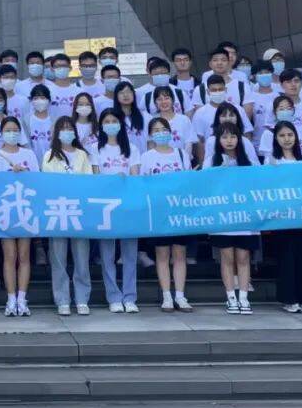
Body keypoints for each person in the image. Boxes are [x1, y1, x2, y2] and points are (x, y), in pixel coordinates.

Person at [0, 115, 38, 315]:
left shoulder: (29, 154)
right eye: (8, 130)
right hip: (5, 211)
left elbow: (38, 181)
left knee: (24, 255)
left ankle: (22, 299)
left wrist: (24, 174)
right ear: (1, 133)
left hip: (25, 209)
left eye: (15, 130)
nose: (12, 133)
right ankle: (11, 298)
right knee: (9, 255)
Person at [41, 117, 95, 315]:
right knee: (58, 257)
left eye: (69, 128)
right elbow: (47, 183)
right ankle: (62, 299)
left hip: (79, 210)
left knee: (82, 257)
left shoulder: (82, 155)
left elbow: (89, 182)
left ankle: (82, 298)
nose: (66, 131)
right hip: (57, 210)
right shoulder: (49, 155)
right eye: (62, 128)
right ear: (56, 133)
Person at [141, 117, 193, 312]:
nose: (160, 133)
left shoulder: (181, 154)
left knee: (179, 254)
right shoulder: (147, 156)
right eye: (156, 130)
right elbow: (143, 183)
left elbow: (188, 180)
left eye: (163, 129)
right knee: (162, 254)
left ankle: (180, 295)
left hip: (179, 210)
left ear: (170, 132)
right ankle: (166, 296)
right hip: (159, 210)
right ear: (150, 135)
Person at [206, 122, 259, 314]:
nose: (229, 141)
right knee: (227, 257)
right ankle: (230, 297)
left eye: (233, 136)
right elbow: (205, 186)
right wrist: (217, 172)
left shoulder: (248, 163)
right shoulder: (211, 161)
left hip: (244, 217)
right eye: (225, 137)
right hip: (223, 216)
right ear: (218, 140)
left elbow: (258, 185)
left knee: (243, 257)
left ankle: (244, 298)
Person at [267, 121, 302, 313]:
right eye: (282, 135)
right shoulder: (272, 162)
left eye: (290, 135)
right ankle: (289, 299)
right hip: (282, 217)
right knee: (286, 258)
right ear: (276, 139)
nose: (286, 139)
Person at [95, 109, 141, 313]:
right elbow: (95, 178)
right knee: (107, 254)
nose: (111, 124)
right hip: (105, 207)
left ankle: (130, 297)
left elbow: (135, 176)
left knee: (130, 254)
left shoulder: (132, 148)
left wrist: (125, 180)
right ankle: (113, 296)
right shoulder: (95, 149)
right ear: (101, 125)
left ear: (121, 124)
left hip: (127, 206)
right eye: (107, 121)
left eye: (114, 120)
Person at [148, 86, 195, 163]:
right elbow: (151, 144)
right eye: (159, 99)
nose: (164, 102)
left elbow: (188, 144)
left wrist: (185, 161)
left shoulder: (184, 120)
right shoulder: (152, 121)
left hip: (181, 162)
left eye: (167, 98)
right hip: (160, 163)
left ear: (172, 100)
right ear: (155, 103)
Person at [248, 60, 282, 141]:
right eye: (260, 73)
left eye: (267, 72)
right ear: (255, 76)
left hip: (279, 141)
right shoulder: (250, 97)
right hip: (258, 142)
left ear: (271, 74)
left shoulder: (280, 95)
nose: (264, 75)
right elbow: (247, 125)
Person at [113, 80, 147, 152]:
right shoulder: (112, 117)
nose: (125, 95)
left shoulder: (145, 116)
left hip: (143, 155)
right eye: (121, 92)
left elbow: (150, 140)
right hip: (122, 156)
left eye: (128, 92)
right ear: (116, 96)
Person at [46, 53, 79, 117]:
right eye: (57, 66)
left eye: (64, 66)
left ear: (70, 68)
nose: (61, 68)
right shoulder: (47, 91)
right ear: (52, 69)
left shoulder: (78, 91)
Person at [71, 91, 100, 156]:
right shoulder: (70, 126)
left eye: (87, 104)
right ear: (75, 106)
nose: (84, 107)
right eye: (80, 104)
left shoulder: (98, 127)